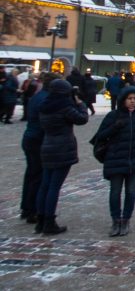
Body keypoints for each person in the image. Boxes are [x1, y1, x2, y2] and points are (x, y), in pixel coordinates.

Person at [92, 86, 135, 237]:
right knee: (115, 191)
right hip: (115, 158)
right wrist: (115, 127)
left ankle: (126, 219)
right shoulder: (113, 116)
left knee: (131, 191)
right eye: (129, 99)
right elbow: (100, 136)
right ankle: (115, 220)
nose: (132, 102)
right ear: (123, 100)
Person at [35, 78, 89, 234]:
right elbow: (82, 119)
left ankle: (40, 220)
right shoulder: (64, 107)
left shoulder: (44, 106)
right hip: (62, 148)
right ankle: (49, 222)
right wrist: (80, 103)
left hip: (47, 146)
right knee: (54, 187)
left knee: (45, 185)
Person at [20, 73, 50, 224]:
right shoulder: (46, 99)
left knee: (31, 174)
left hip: (30, 137)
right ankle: (32, 210)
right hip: (38, 139)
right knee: (37, 176)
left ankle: (26, 207)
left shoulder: (37, 96)